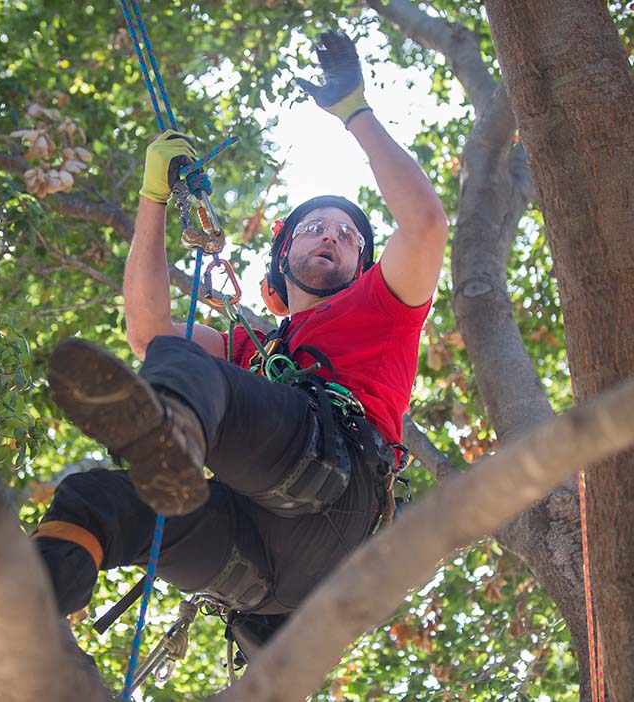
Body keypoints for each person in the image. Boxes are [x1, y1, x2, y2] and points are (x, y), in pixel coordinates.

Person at [32, 31, 447, 660]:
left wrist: (354, 112)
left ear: (366, 265)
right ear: (281, 264)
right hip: (262, 579)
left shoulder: (383, 309)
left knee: (189, 373)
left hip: (335, 490)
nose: (331, 237)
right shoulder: (254, 349)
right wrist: (153, 202)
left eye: (348, 235)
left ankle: (170, 439)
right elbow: (147, 333)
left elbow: (424, 224)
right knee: (93, 500)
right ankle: (29, 626)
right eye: (313, 228)